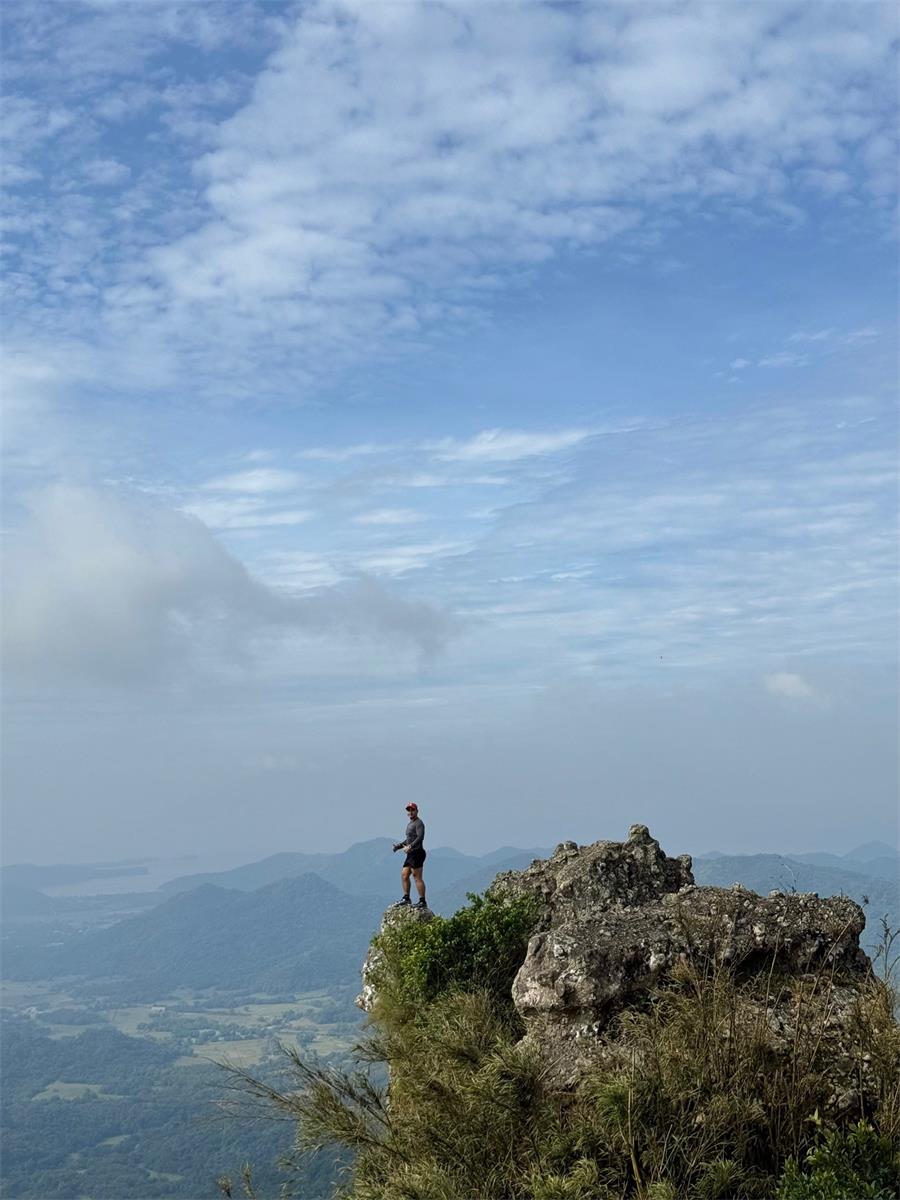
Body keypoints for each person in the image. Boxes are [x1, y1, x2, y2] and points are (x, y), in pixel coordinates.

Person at [393, 802, 427, 908]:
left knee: (417, 877)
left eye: (412, 810)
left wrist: (410, 846)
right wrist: (399, 846)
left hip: (417, 853)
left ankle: (422, 901)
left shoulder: (419, 823)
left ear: (417, 811)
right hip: (411, 854)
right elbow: (408, 839)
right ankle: (406, 898)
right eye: (409, 810)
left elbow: (420, 837)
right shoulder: (410, 824)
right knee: (404, 875)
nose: (411, 812)